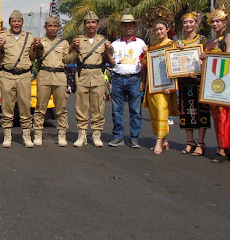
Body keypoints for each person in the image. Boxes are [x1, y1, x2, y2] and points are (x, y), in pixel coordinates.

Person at [65, 11, 114, 147]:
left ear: (97, 24)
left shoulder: (104, 41)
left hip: (98, 75)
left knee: (98, 106)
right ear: (85, 25)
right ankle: (82, 135)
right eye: (88, 22)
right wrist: (72, 48)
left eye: (93, 22)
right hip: (83, 76)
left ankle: (97, 134)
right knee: (81, 106)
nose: (91, 25)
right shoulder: (79, 40)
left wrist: (109, 50)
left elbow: (111, 62)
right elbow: (67, 60)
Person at [0, 10, 36, 148]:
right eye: (14, 21)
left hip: (24, 75)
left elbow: (33, 57)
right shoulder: (2, 36)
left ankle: (27, 135)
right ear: (10, 23)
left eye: (19, 21)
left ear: (22, 22)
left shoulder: (29, 37)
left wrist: (38, 48)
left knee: (25, 106)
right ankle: (7, 135)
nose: (16, 23)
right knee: (7, 106)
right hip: (7, 75)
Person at [140, 7, 178, 155]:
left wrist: (172, 83)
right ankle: (163, 140)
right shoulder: (154, 48)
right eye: (156, 30)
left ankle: (158, 141)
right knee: (155, 112)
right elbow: (145, 64)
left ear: (167, 29)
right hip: (153, 84)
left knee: (162, 110)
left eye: (161, 29)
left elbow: (176, 66)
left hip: (165, 85)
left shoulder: (172, 45)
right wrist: (145, 53)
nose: (159, 32)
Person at [201, 9, 230, 163]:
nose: (215, 24)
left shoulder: (228, 38)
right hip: (212, 82)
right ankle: (223, 146)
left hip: (225, 80)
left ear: (225, 23)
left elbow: (228, 59)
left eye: (218, 21)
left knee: (226, 116)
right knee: (217, 116)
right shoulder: (210, 41)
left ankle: (223, 148)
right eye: (213, 21)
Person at [32, 16, 71, 147]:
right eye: (50, 26)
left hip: (59, 75)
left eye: (55, 26)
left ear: (58, 28)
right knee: (40, 106)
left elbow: (68, 60)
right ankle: (37, 132)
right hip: (44, 74)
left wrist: (75, 50)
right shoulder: (40, 41)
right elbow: (33, 57)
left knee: (61, 107)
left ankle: (62, 133)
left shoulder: (64, 43)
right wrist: (36, 47)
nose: (52, 28)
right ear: (45, 27)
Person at [108, 13, 146, 148]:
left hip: (134, 79)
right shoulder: (115, 44)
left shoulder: (141, 44)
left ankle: (134, 137)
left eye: (130, 25)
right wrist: (107, 53)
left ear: (134, 27)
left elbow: (144, 63)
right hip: (118, 78)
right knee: (116, 109)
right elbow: (111, 62)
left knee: (135, 110)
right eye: (125, 25)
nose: (128, 28)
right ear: (121, 27)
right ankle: (118, 136)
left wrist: (143, 81)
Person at [178, 12, 210, 156]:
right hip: (184, 81)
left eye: (191, 22)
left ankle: (201, 142)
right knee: (186, 111)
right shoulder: (179, 43)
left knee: (201, 111)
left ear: (196, 23)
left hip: (199, 80)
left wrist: (205, 57)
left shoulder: (203, 40)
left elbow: (209, 59)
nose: (188, 25)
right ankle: (190, 141)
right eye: (185, 22)